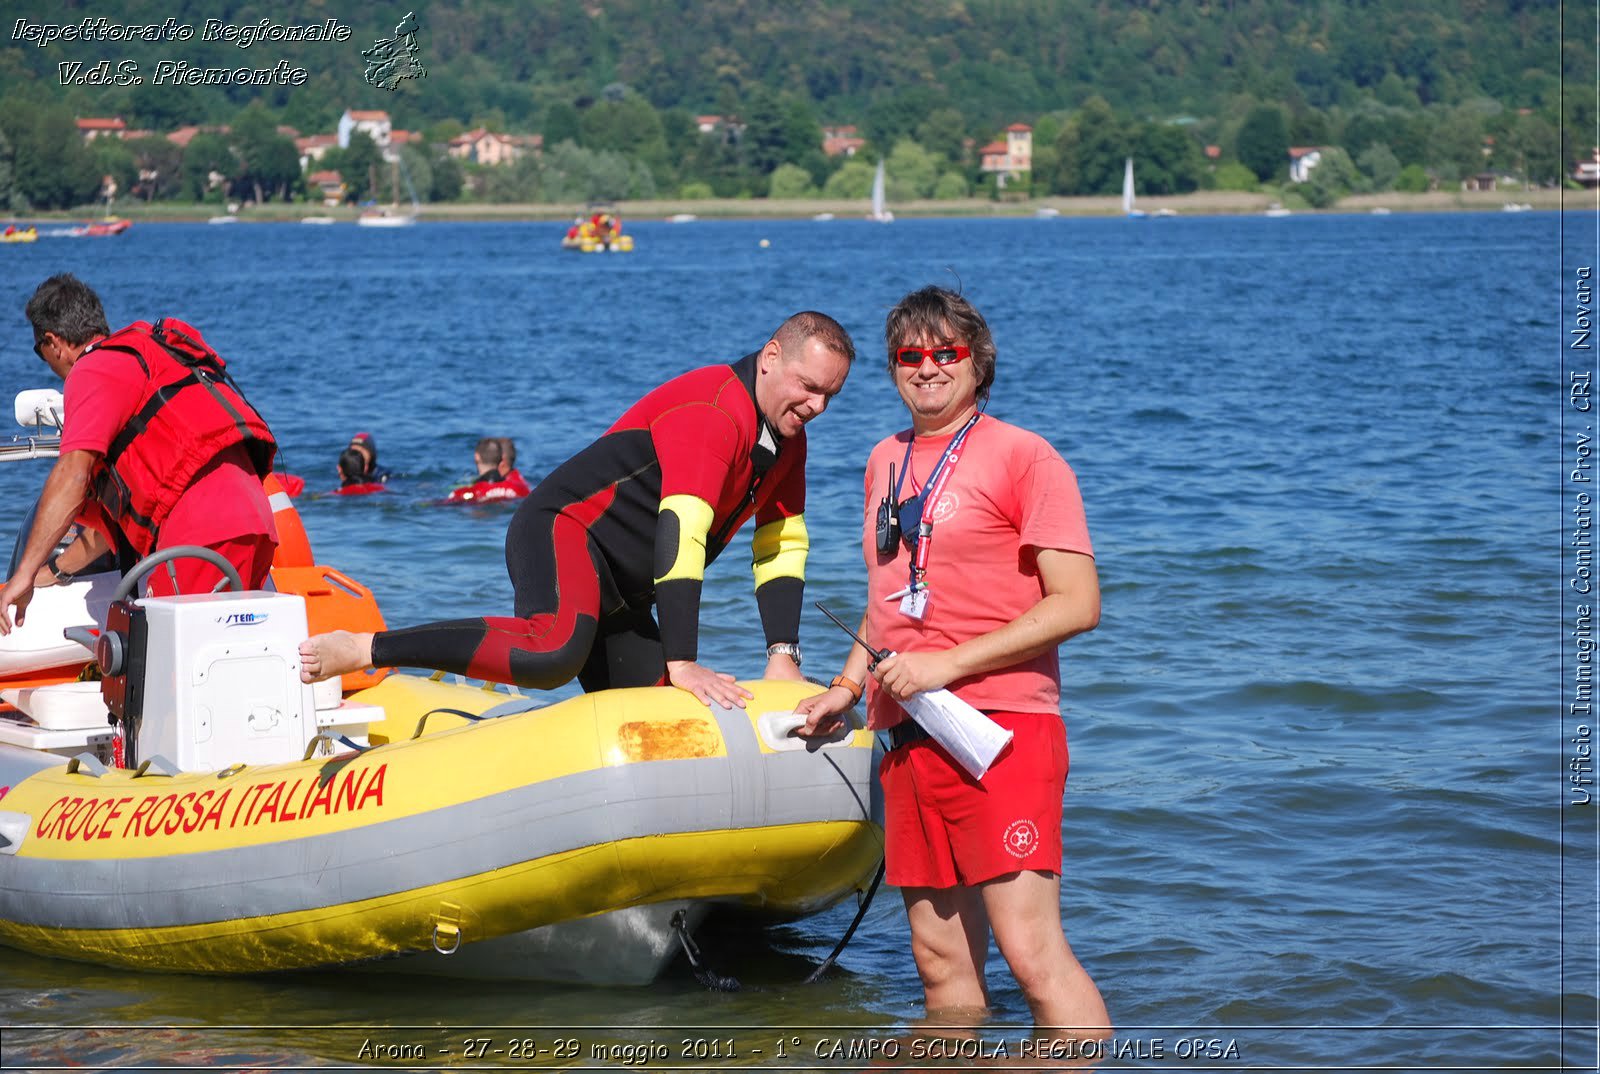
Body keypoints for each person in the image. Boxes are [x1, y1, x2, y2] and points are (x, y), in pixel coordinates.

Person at [796, 286, 1108, 1037]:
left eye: (946, 352)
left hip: (1002, 730)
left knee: (1031, 954)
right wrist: (847, 685)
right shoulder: (883, 459)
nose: (927, 368)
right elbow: (891, 593)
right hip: (906, 733)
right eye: (910, 355)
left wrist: (947, 665)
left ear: (978, 361)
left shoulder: (1025, 456)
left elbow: (1077, 603)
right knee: (938, 961)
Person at [301, 311, 855, 708]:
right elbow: (683, 530)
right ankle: (364, 647)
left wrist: (783, 655)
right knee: (552, 654)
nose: (817, 407)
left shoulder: (789, 442)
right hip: (562, 531)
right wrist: (683, 660)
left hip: (624, 594)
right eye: (809, 388)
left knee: (667, 715)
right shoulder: (714, 407)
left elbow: (780, 545)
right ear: (771, 357)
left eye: (831, 396)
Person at [0, 274, 278, 634]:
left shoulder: (91, 370)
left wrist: (21, 576)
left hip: (198, 537)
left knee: (175, 673)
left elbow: (72, 475)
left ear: (53, 343)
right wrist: (52, 571)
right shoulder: (147, 355)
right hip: (254, 522)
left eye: (40, 351)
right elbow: (104, 534)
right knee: (226, 656)